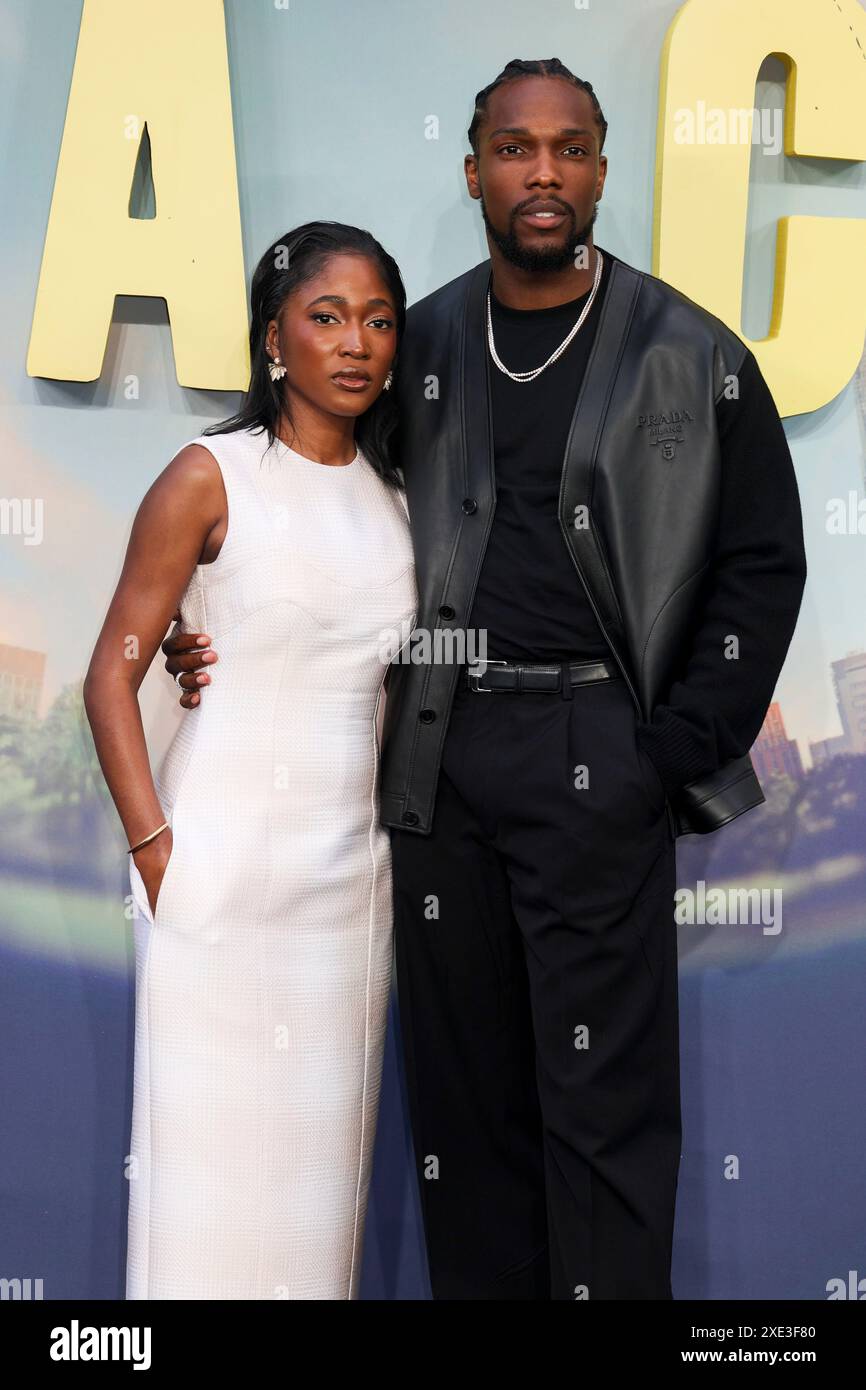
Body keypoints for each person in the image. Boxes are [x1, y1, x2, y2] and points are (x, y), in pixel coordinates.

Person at [162, 61, 807, 1300]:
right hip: (442, 762)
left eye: (569, 148)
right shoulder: (428, 337)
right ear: (473, 173)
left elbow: (759, 564)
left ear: (603, 171)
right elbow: (309, 487)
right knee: (467, 1123)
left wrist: (665, 751)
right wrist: (207, 621)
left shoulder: (689, 351)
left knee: (603, 1119)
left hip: (597, 756)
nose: (543, 173)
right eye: (514, 149)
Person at [83, 222, 417, 1299]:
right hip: (215, 876)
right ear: (273, 337)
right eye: (326, 317)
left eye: (376, 320)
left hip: (347, 890)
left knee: (318, 1206)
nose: (355, 342)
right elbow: (109, 678)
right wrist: (158, 855)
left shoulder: (402, 503)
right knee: (206, 1193)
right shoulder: (207, 476)